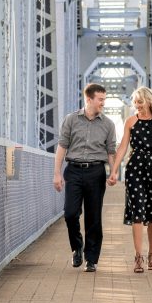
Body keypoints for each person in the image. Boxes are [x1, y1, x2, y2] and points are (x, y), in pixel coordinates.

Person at [107, 86, 152, 273]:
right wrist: (114, 171)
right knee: (137, 211)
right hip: (135, 169)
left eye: (140, 102)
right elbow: (122, 148)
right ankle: (138, 257)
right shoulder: (131, 121)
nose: (137, 106)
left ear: (149, 101)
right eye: (135, 103)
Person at [53, 83, 117, 273]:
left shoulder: (108, 124)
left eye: (104, 100)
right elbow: (62, 147)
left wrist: (113, 172)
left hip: (96, 172)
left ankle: (91, 258)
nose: (103, 103)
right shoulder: (71, 120)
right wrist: (57, 173)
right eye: (100, 100)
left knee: (94, 217)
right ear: (89, 99)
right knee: (70, 213)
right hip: (73, 170)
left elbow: (111, 151)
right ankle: (77, 247)